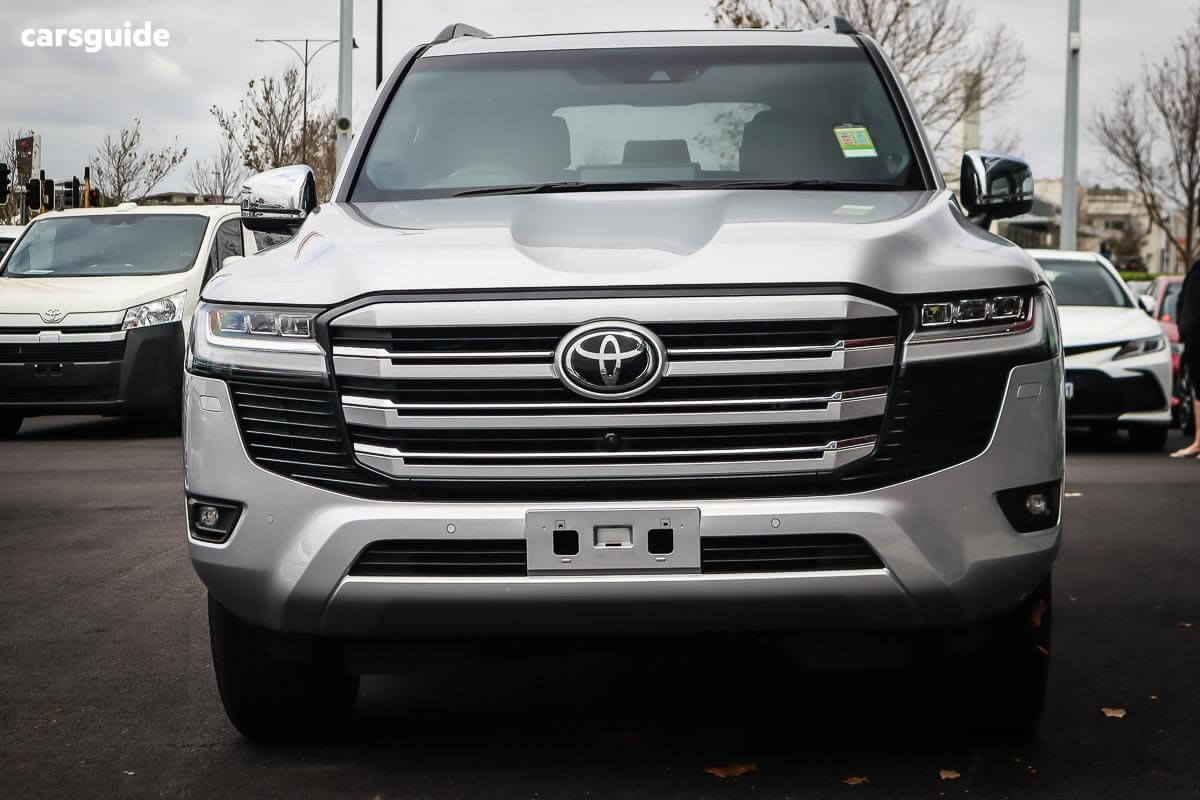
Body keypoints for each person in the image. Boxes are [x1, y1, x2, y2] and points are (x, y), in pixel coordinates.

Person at [1171, 258, 1200, 457]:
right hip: (1193, 337)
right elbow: (1183, 300)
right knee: (1198, 390)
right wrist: (1183, 325)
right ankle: (1198, 442)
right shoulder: (1196, 268)